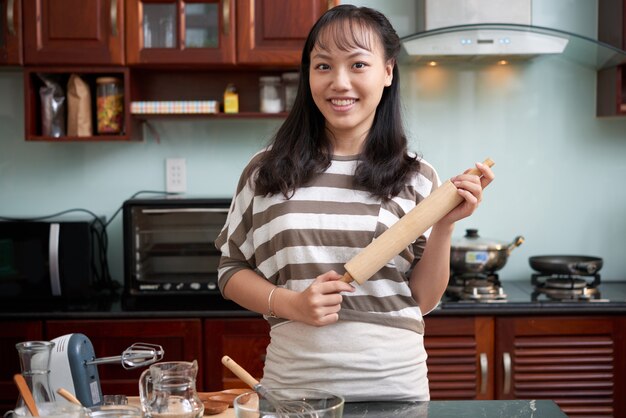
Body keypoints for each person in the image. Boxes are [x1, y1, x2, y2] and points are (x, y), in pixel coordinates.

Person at [215, 4, 494, 402]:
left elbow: (423, 299)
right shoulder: (267, 171)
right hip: (294, 390)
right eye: (323, 66)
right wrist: (291, 304)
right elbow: (230, 269)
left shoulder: (417, 177)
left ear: (388, 71)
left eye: (358, 64)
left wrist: (445, 226)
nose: (339, 82)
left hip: (395, 391)